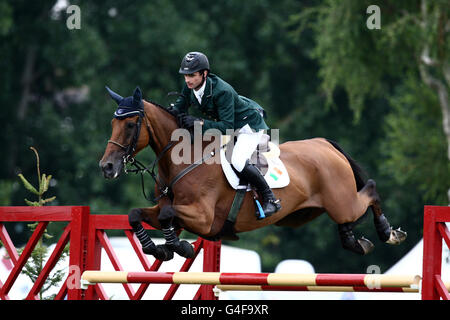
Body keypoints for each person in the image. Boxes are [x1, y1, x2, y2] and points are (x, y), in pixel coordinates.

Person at [170, 51, 281, 217]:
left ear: (204, 73)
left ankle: (270, 199)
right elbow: (178, 108)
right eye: (185, 75)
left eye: (192, 75)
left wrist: (199, 123)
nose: (187, 80)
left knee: (237, 160)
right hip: (227, 125)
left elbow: (226, 126)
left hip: (247, 126)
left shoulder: (223, 91)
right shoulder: (189, 87)